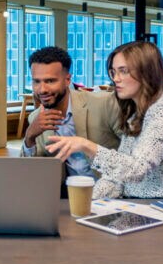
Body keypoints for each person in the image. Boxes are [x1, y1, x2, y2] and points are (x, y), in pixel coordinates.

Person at [46, 40, 163, 199]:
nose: (116, 79)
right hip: (140, 208)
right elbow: (117, 178)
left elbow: (137, 169)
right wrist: (85, 203)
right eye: (113, 72)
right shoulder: (135, 116)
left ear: (147, 72)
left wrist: (87, 145)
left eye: (123, 71)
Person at [20, 46, 120, 184]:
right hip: (71, 194)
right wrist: (29, 136)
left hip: (115, 191)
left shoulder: (103, 104)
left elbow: (135, 157)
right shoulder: (36, 118)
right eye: (36, 81)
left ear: (67, 80)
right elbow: (28, 173)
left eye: (50, 81)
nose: (42, 89)